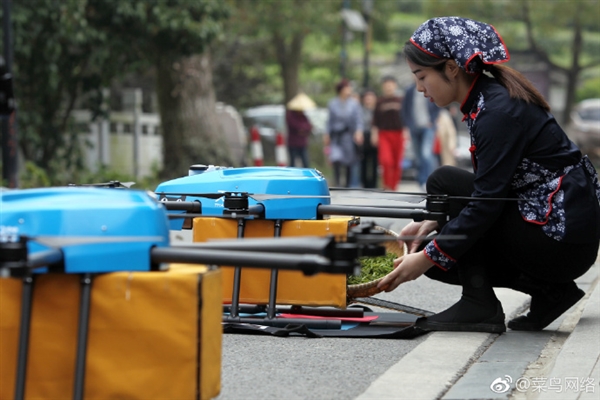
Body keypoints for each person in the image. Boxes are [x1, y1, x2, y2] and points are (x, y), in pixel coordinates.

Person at [378, 17, 600, 334]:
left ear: (452, 68)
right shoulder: (488, 102)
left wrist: (427, 257)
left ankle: (478, 305)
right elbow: (491, 190)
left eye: (421, 75)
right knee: (436, 245)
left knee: (443, 185)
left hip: (561, 242)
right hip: (563, 240)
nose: (419, 87)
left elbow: (485, 204)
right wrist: (435, 220)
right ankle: (551, 292)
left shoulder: (497, 111)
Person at [402, 82, 441, 191]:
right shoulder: (409, 91)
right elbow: (405, 109)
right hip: (414, 127)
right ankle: (421, 182)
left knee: (426, 154)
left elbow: (437, 105)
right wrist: (408, 125)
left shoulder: (430, 87)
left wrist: (432, 120)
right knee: (418, 157)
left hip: (428, 127)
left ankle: (429, 180)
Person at [325, 79, 363, 187]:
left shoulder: (354, 104)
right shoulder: (333, 103)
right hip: (336, 136)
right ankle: (337, 182)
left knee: (349, 161)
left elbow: (358, 119)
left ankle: (347, 184)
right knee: (336, 158)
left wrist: (358, 131)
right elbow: (329, 121)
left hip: (348, 136)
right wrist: (327, 133)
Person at [371, 76, 405, 191]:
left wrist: (406, 131)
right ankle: (386, 184)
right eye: (387, 84)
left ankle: (394, 186)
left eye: (391, 84)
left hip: (398, 133)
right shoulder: (379, 102)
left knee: (396, 161)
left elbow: (406, 118)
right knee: (386, 160)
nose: (389, 87)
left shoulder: (400, 101)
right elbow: (375, 120)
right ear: (383, 86)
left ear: (395, 86)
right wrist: (374, 133)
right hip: (384, 134)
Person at [285, 93, 315, 168]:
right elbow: (296, 126)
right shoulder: (291, 116)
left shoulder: (303, 116)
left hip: (302, 143)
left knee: (306, 163)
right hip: (293, 143)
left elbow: (309, 126)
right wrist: (302, 129)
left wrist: (303, 130)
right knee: (292, 164)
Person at [360, 89, 379, 188]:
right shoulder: (360, 110)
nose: (368, 100)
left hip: (375, 136)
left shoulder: (378, 110)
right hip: (364, 136)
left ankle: (374, 184)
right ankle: (364, 183)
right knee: (363, 160)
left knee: (375, 161)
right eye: (366, 98)